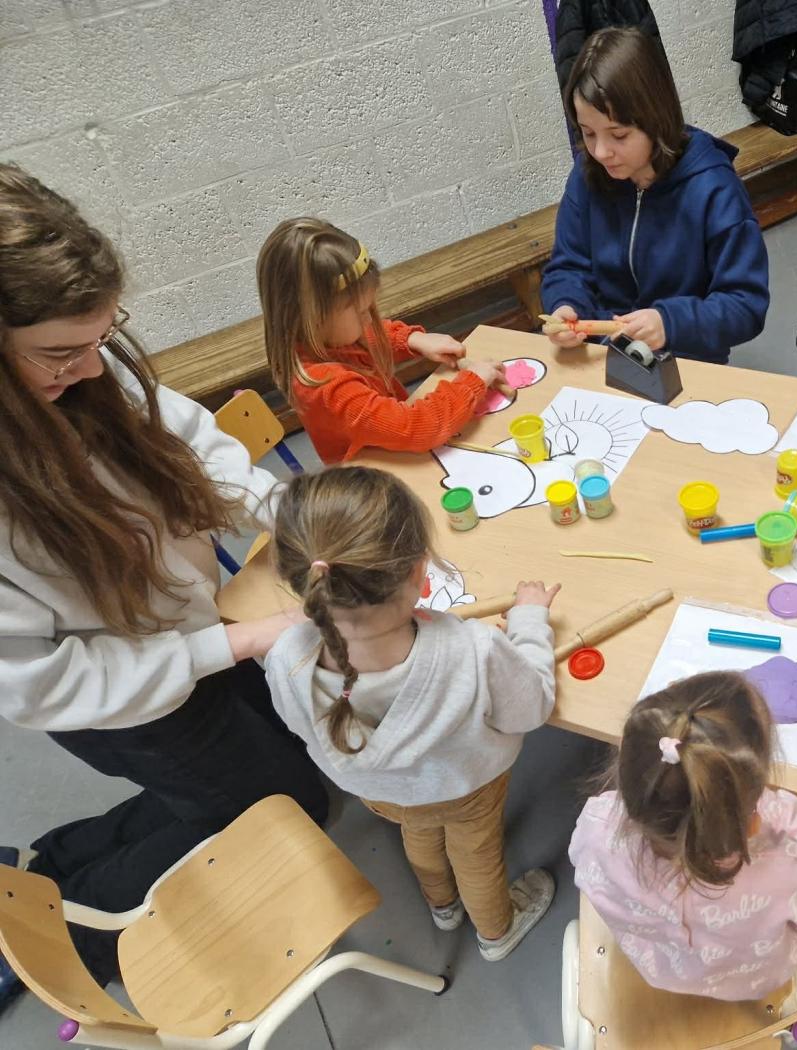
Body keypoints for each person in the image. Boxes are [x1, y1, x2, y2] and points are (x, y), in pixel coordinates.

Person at [0, 164, 327, 1011]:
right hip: (122, 699)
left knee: (270, 761)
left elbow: (194, 445)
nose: (90, 367)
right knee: (281, 810)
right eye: (59, 354)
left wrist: (293, 517)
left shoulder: (84, 372)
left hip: (190, 635)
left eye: (102, 337)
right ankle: (63, 933)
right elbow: (41, 681)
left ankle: (56, 860)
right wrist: (234, 642)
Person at [265, 467, 559, 959]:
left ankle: (442, 905)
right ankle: (496, 933)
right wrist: (530, 621)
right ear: (421, 574)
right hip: (466, 788)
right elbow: (530, 710)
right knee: (475, 851)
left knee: (418, 830)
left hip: (385, 795)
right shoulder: (471, 648)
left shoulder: (283, 658)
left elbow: (301, 728)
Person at [569, 671, 797, 1000]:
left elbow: (585, 869)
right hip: (753, 982)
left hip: (658, 967)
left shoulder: (597, 827)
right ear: (751, 821)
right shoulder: (794, 863)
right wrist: (782, 812)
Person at [540, 27, 769, 364]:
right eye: (588, 133)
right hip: (603, 353)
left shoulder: (713, 188)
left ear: (655, 119)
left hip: (685, 359)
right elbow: (568, 267)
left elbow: (745, 304)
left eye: (619, 135)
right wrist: (566, 305)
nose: (601, 152)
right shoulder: (588, 174)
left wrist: (670, 323)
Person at [257, 217, 506, 464]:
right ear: (312, 319)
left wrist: (412, 339)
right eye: (361, 312)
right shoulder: (327, 387)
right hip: (375, 476)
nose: (369, 319)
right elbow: (417, 428)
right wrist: (472, 383)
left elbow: (370, 336)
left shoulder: (327, 337)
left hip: (394, 454)